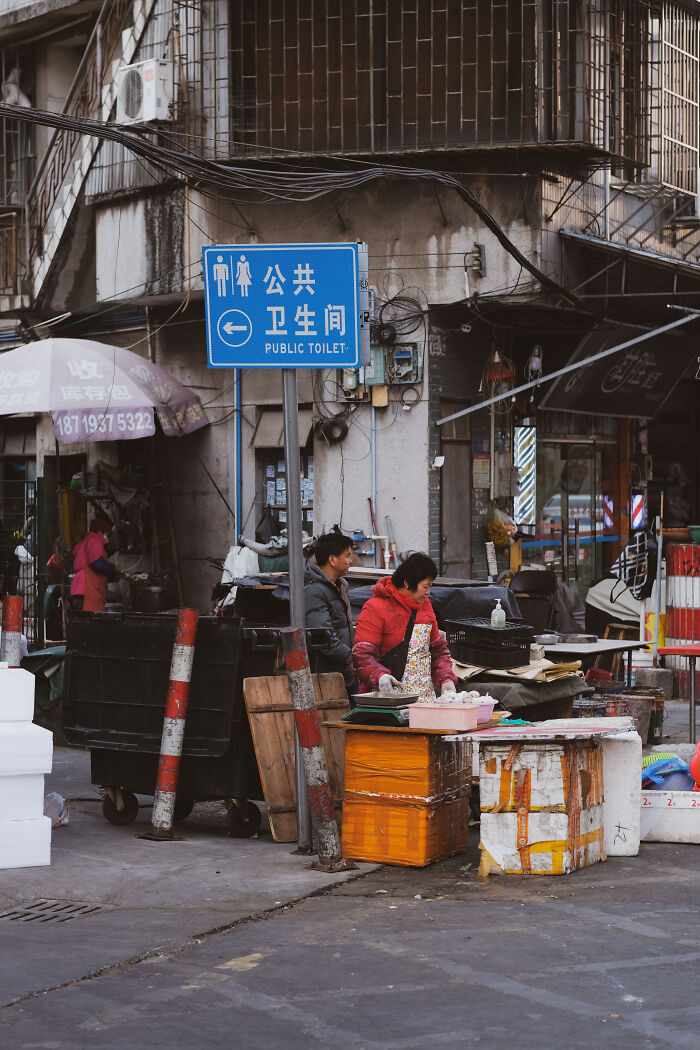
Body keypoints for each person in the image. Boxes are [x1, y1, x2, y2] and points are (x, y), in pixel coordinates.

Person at [353, 552, 458, 703]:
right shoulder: (375, 607)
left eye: (430, 586)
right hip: (388, 700)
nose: (428, 592)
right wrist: (379, 676)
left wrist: (446, 678)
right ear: (408, 583)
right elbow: (362, 655)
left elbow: (438, 651)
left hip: (424, 699)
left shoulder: (426, 606)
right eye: (425, 586)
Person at [304, 532, 356, 692]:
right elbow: (323, 637)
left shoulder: (339, 586)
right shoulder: (314, 592)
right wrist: (349, 658)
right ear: (332, 560)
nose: (351, 561)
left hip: (343, 674)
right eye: (347, 556)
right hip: (327, 678)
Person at [70, 516, 120, 612]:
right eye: (107, 534)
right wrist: (113, 568)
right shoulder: (95, 542)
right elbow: (97, 564)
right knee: (90, 621)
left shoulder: (84, 542)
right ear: (99, 531)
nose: (107, 537)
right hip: (87, 588)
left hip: (78, 588)